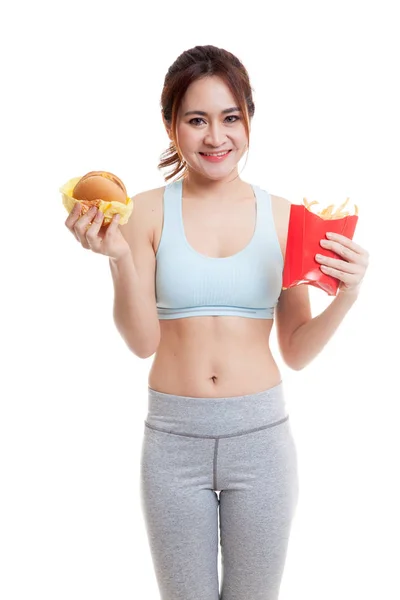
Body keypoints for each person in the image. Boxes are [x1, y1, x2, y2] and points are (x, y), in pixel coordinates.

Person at [65, 45, 369, 600]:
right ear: (171, 124)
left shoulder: (284, 218)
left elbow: (296, 349)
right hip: (173, 440)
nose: (215, 137)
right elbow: (141, 342)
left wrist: (347, 298)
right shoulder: (145, 212)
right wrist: (120, 259)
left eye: (230, 118)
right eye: (196, 120)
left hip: (261, 440)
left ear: (249, 119)